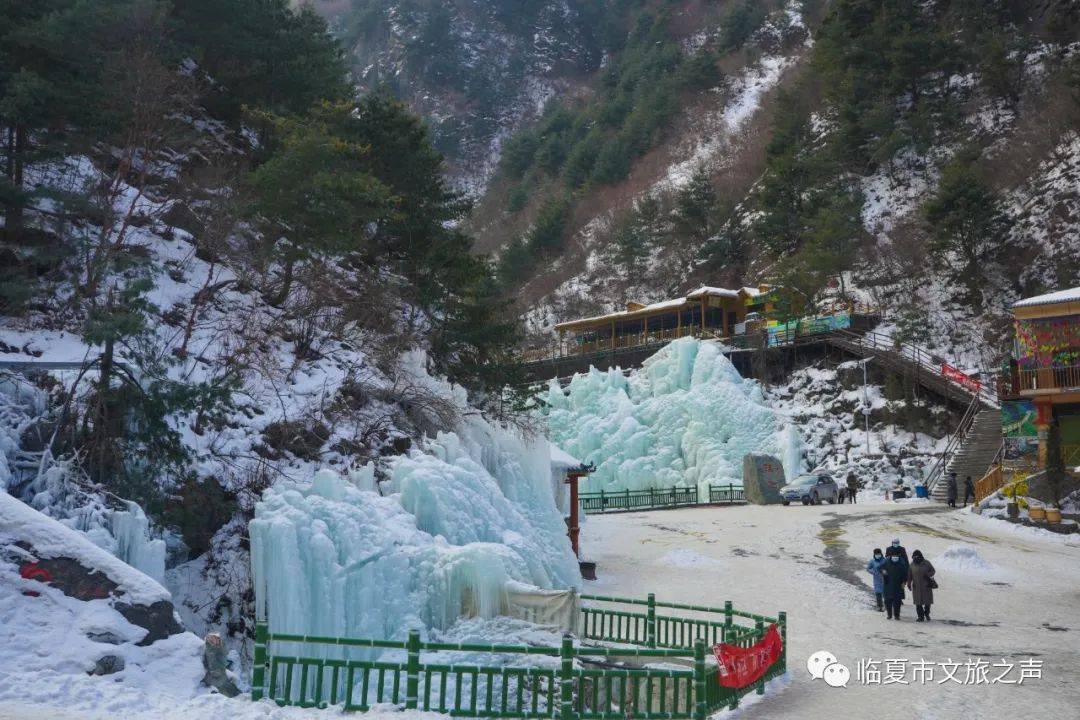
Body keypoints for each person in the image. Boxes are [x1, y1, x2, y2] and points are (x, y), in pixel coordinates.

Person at [907, 550, 936, 622]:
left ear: (920, 556)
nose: (916, 558)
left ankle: (927, 613)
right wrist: (909, 583)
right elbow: (909, 575)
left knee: (927, 601)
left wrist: (928, 575)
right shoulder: (912, 564)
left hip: (926, 585)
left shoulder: (926, 563)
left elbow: (933, 571)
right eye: (914, 557)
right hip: (916, 586)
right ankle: (920, 616)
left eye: (917, 556)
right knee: (918, 602)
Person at [881, 548, 909, 619]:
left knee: (897, 602)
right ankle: (889, 614)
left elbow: (905, 574)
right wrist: (883, 571)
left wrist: (904, 582)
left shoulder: (901, 563)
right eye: (894, 556)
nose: (895, 558)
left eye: (896, 557)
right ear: (891, 556)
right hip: (888, 584)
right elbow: (880, 568)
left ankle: (897, 615)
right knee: (888, 601)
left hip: (898, 585)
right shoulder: (886, 561)